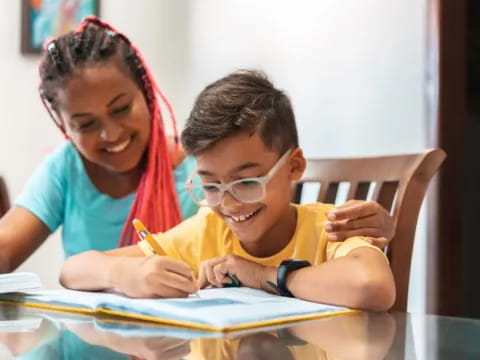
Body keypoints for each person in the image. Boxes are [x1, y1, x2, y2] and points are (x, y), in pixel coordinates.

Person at [0, 15, 392, 273]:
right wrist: (129, 275)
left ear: (147, 93)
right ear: (64, 126)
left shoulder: (206, 169)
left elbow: (292, 231)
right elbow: (24, 255)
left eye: (121, 109)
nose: (110, 134)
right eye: (84, 124)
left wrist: (376, 230)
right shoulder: (65, 169)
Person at [60, 70, 396, 311]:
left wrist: (261, 275)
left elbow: (371, 285)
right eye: (210, 186)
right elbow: (72, 270)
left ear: (294, 166)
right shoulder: (207, 230)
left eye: (247, 182)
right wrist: (127, 273)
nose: (229, 203)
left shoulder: (332, 228)